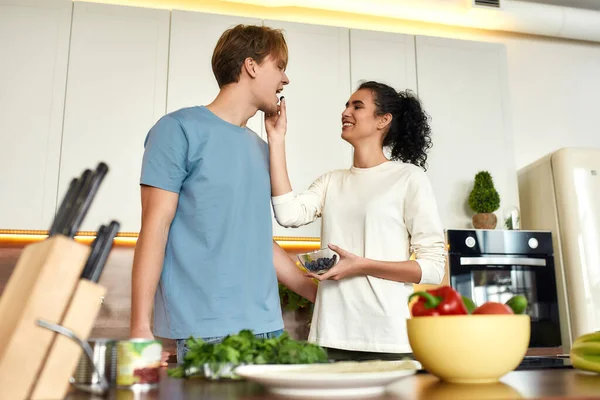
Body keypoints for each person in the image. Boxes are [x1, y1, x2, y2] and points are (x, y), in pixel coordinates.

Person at [130, 24, 317, 365]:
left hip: (269, 329)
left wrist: (318, 293)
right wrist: (140, 327)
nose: (285, 79)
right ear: (251, 66)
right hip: (209, 332)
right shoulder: (177, 130)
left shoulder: (262, 148)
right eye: (279, 66)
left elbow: (258, 240)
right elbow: (154, 228)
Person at [265, 81, 446, 360]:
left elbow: (433, 268)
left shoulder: (409, 178)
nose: (345, 111)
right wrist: (276, 140)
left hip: (387, 339)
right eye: (347, 105)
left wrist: (361, 265)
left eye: (357, 106)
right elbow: (288, 214)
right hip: (329, 335)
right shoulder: (331, 181)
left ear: (383, 120)